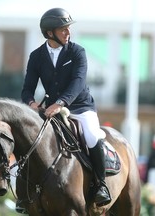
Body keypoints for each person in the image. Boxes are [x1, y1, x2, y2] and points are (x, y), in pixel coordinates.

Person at [21, 8, 111, 207]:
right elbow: (27, 88)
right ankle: (24, 191)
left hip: (80, 107)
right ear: (50, 33)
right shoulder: (36, 56)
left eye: (68, 28)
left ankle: (101, 184)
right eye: (63, 29)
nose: (68, 32)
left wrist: (60, 103)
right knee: (31, 140)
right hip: (50, 110)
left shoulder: (77, 51)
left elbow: (78, 82)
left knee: (91, 135)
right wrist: (31, 104)